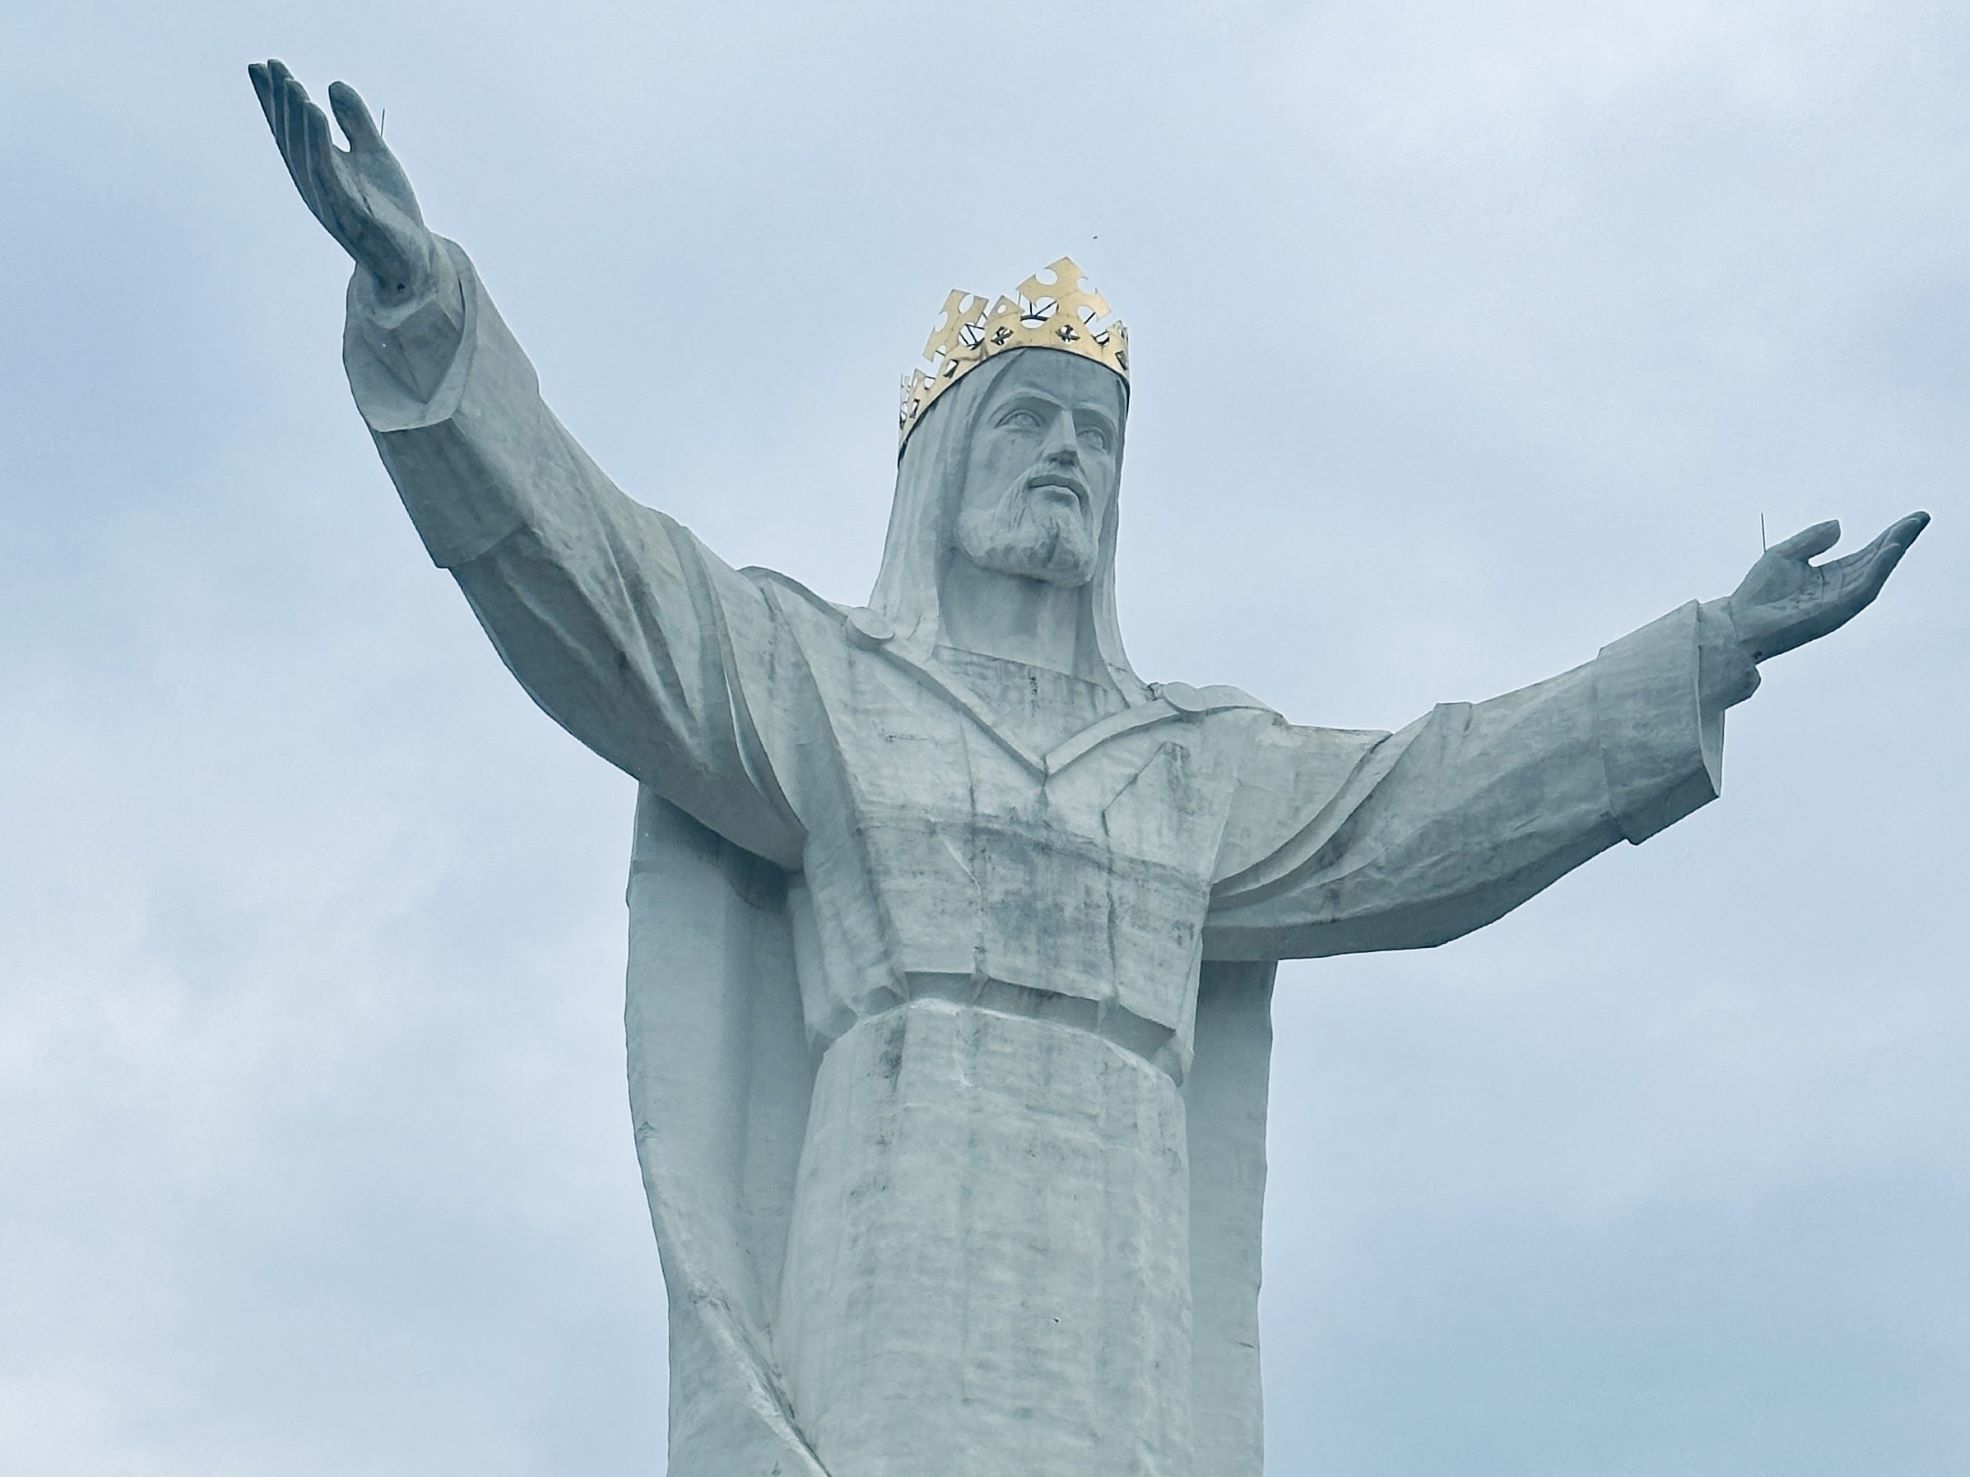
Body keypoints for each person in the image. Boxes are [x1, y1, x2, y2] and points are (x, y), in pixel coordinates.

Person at [249, 59, 1929, 1477]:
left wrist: (1706, 648)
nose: (1066, 451)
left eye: (1094, 433)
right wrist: (426, 316)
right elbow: (602, 593)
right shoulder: (821, 678)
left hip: (1117, 1238)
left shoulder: (1190, 757)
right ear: (942, 466)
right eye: (1029, 420)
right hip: (894, 1215)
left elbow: (1427, 805)